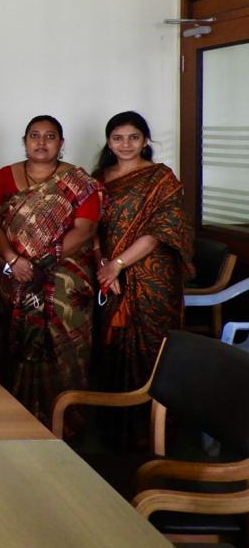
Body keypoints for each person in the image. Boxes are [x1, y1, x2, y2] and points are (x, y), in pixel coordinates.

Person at [0, 114, 101, 427]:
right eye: (34, 135)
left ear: (61, 143)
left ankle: (65, 421)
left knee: (66, 345)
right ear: (24, 141)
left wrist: (42, 261)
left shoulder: (78, 181)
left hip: (65, 275)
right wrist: (13, 259)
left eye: (50, 136)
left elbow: (86, 229)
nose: (41, 142)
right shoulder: (3, 177)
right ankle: (14, 417)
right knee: (13, 341)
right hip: (14, 274)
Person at [93, 111, 193, 408]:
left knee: (153, 347)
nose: (126, 144)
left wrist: (118, 264)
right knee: (111, 346)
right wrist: (103, 264)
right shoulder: (97, 179)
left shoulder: (161, 178)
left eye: (133, 137)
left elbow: (160, 231)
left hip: (153, 274)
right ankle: (115, 421)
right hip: (108, 274)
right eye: (118, 138)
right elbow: (89, 227)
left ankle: (158, 421)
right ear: (108, 142)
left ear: (145, 141)